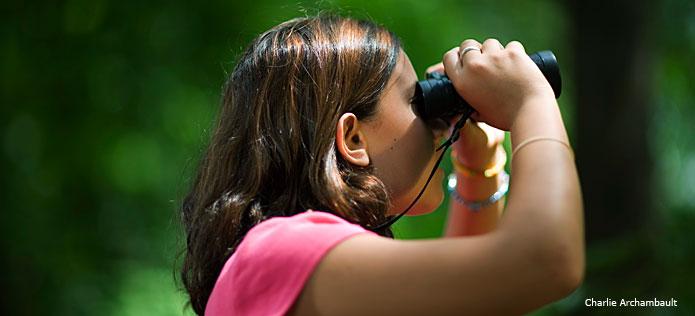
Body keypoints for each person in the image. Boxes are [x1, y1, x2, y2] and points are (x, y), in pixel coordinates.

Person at [180, 14, 584, 315]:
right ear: (353, 138)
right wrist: (530, 102)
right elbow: (544, 261)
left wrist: (479, 166)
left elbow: (471, 298)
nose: (435, 123)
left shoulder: (283, 262)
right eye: (416, 101)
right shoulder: (282, 250)